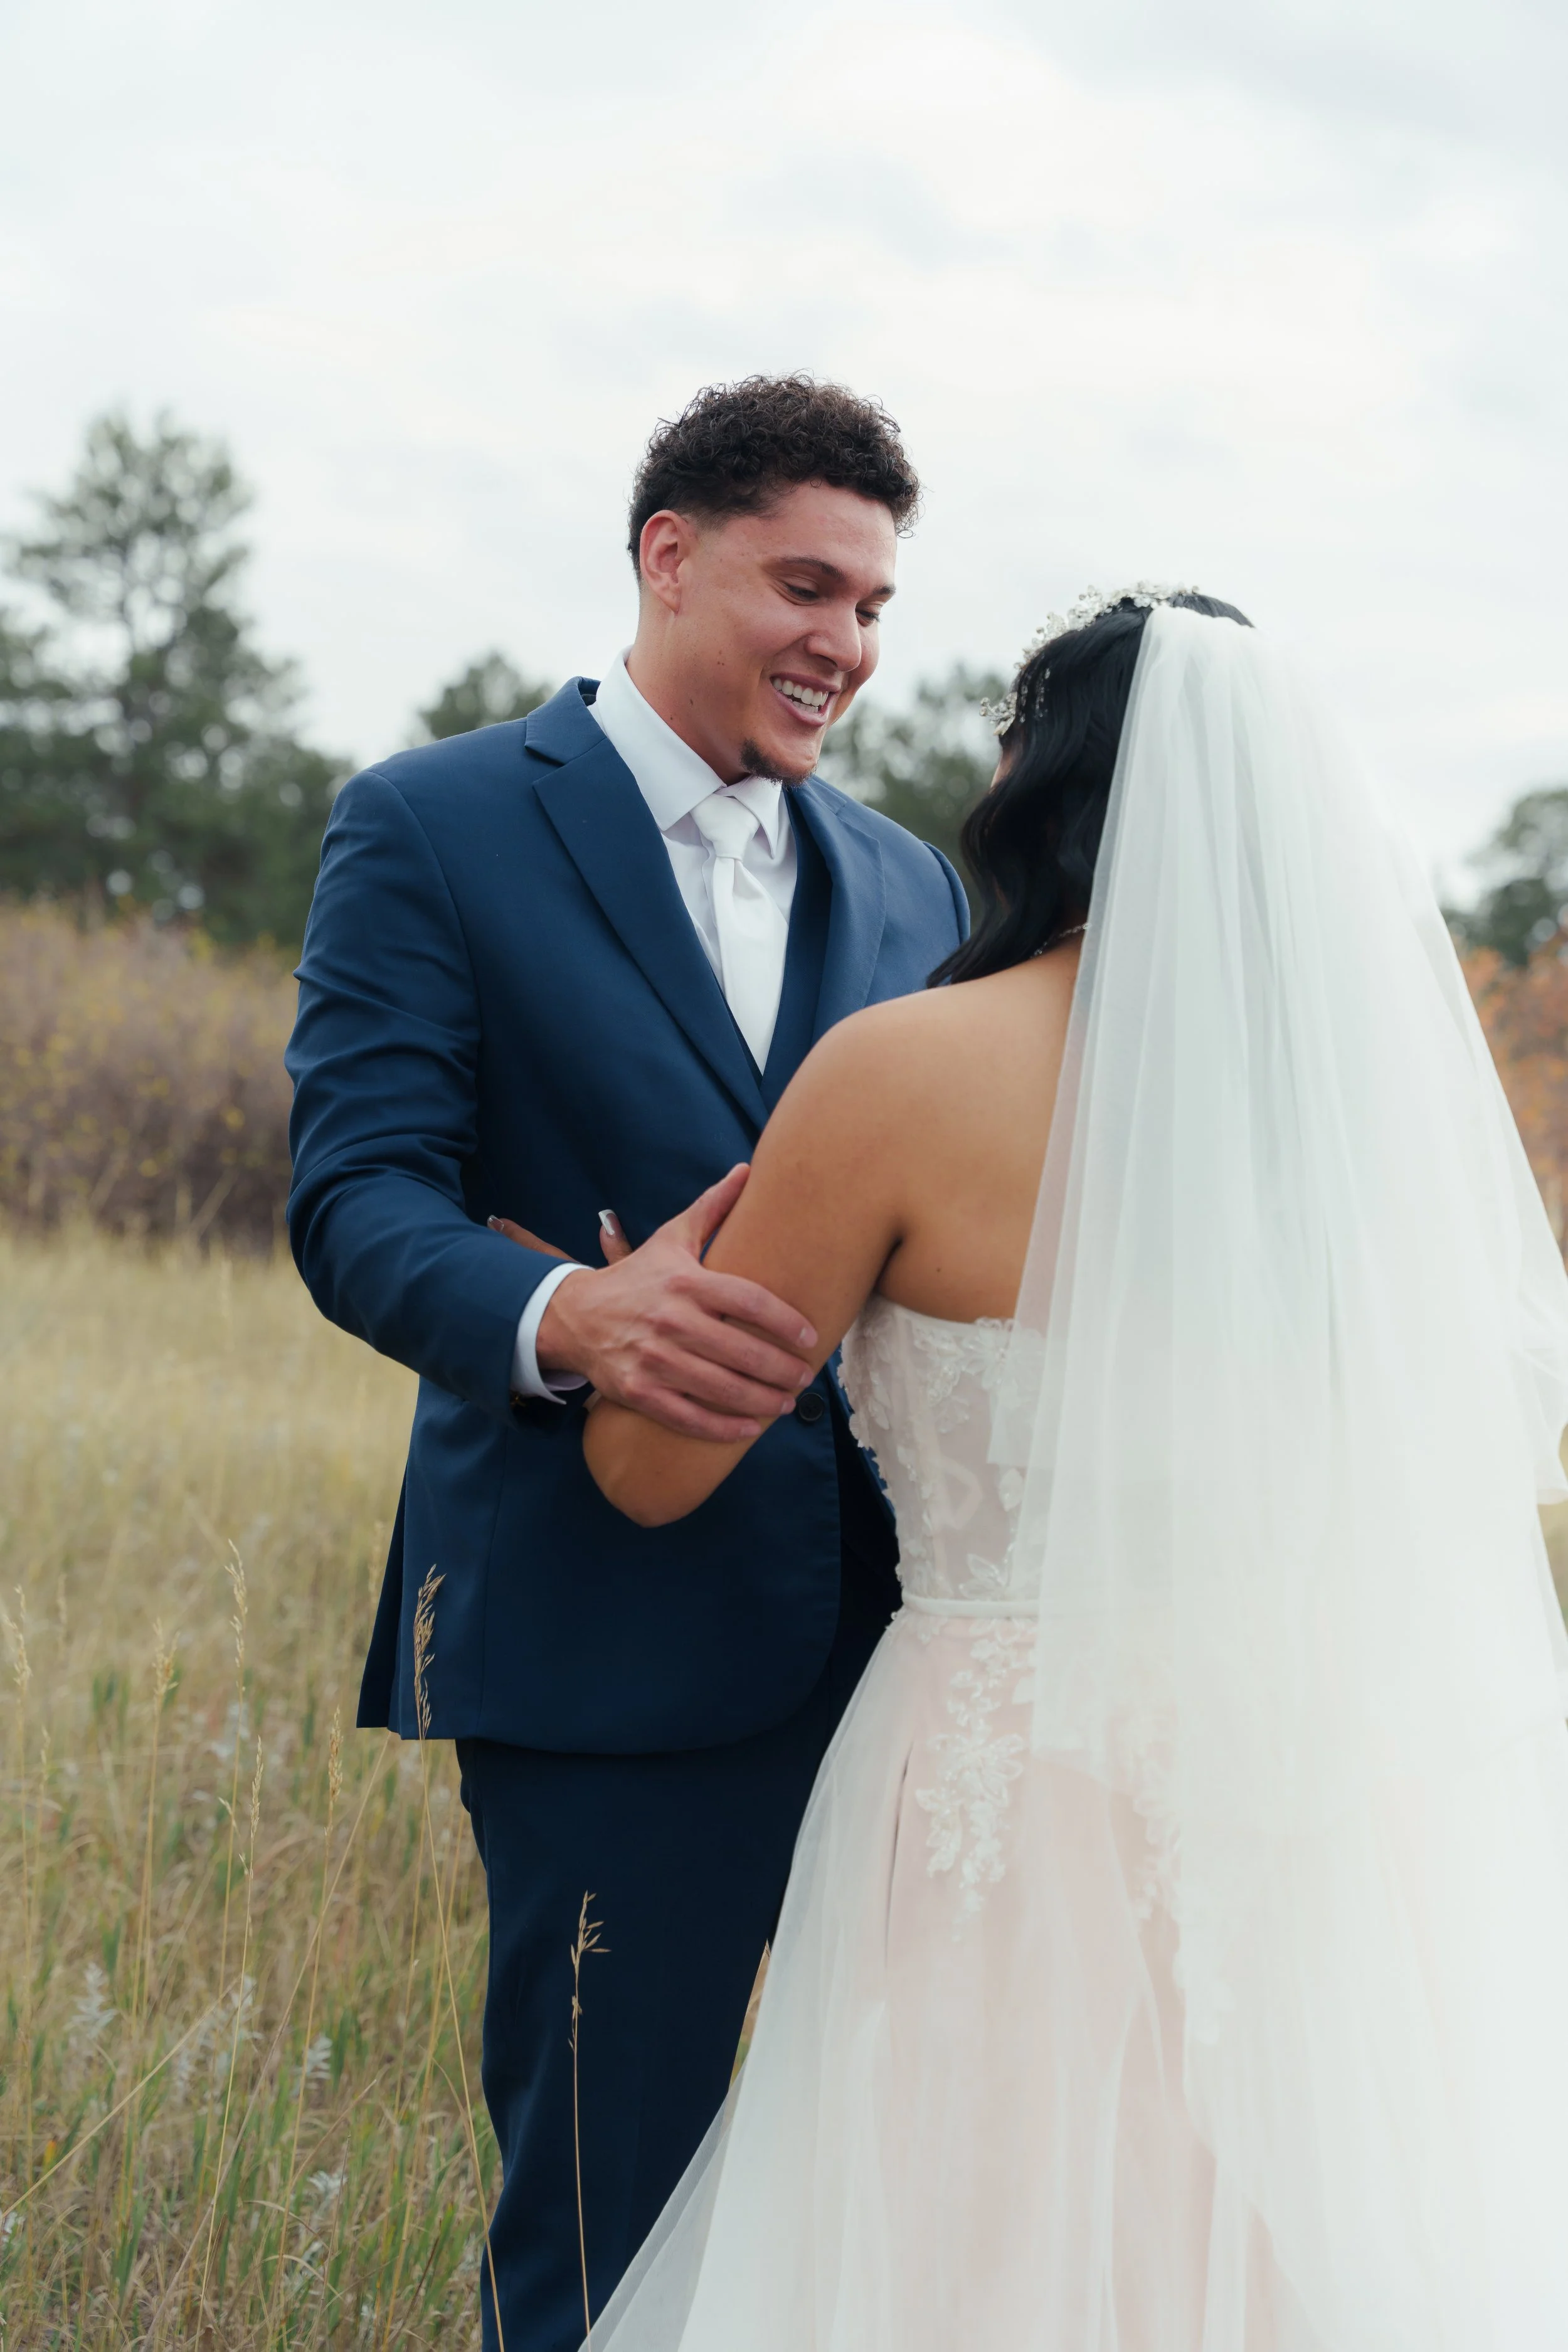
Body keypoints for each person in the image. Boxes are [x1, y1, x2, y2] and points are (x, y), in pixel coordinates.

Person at [571, 590, 1568, 2349]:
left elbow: (653, 1468)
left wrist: (618, 1306)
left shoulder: (895, 1074)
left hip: (999, 1777)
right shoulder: (1349, 1137)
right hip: (1311, 1787)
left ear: (1038, 791)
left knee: (973, 2240)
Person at [283, 376, 967, 2349]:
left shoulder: (911, 885)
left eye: (873, 607)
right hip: (603, 1637)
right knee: (600, 2211)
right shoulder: (431, 822)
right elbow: (359, 1196)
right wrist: (568, 1318)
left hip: (901, 1650)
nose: (842, 642)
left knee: (883, 2194)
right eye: (805, 584)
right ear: (668, 555)